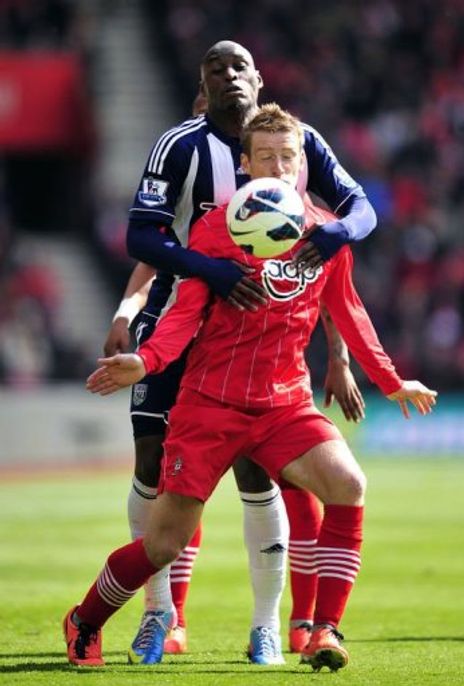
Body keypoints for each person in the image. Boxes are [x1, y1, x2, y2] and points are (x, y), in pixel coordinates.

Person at [64, 103, 437, 672]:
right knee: (164, 545)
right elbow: (184, 315)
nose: (279, 166)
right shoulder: (215, 230)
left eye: (288, 156)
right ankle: (86, 618)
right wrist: (147, 359)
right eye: (265, 157)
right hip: (209, 404)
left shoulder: (323, 235)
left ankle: (325, 631)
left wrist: (390, 380)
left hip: (285, 401)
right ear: (245, 165)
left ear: (302, 163)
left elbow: (350, 312)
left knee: (348, 484)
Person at [104, 39, 374, 664]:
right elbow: (143, 237)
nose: (227, 76)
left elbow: (350, 226)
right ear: (202, 84)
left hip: (259, 338)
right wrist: (135, 308)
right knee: (156, 465)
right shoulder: (181, 146)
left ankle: (270, 626)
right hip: (183, 318)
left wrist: (339, 346)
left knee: (260, 473)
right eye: (214, 69)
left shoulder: (297, 146)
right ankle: (161, 614)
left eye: (238, 66)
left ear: (258, 77)